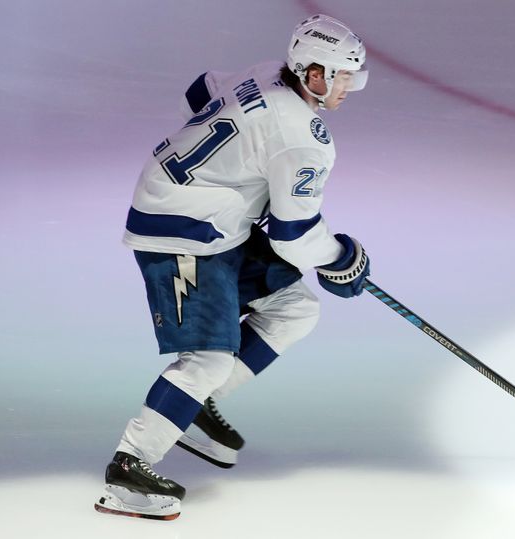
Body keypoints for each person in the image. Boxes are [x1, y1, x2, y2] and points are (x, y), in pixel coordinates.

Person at [94, 14, 371, 521]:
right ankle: (129, 468)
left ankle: (190, 410)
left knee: (293, 309)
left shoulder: (266, 71)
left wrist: (227, 168)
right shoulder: (304, 138)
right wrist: (342, 260)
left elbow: (200, 91)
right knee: (208, 359)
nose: (349, 86)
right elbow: (294, 236)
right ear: (313, 73)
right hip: (183, 230)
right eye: (342, 75)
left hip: (215, 221)